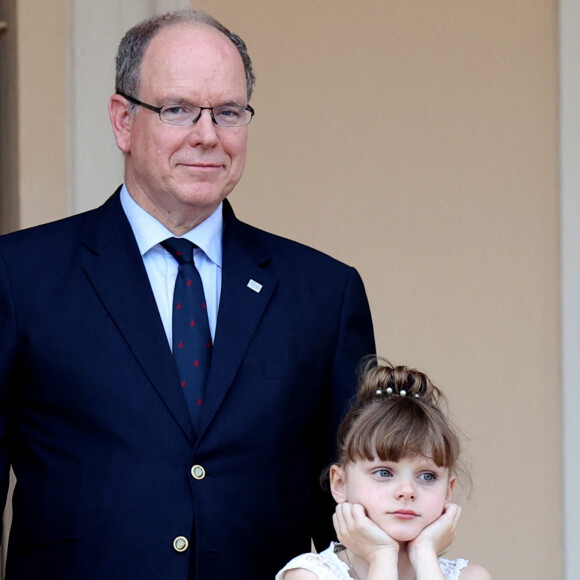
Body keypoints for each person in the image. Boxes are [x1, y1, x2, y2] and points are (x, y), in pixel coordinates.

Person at [0, 8, 375, 580]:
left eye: (228, 112)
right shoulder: (19, 275)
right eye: (177, 110)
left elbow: (351, 509)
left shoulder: (324, 293)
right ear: (123, 121)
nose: (207, 135)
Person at [276, 359, 492, 579]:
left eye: (427, 476)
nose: (407, 491)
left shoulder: (471, 576)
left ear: (448, 490)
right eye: (383, 473)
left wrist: (425, 553)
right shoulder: (309, 575)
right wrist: (382, 554)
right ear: (340, 483)